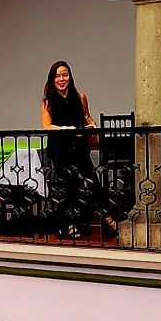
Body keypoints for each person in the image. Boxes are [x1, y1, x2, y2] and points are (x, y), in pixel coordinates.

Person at [40, 60, 116, 235]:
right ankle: (70, 224)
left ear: (70, 77)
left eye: (65, 75)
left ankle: (108, 218)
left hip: (79, 147)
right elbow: (47, 126)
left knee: (93, 182)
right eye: (57, 76)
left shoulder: (80, 97)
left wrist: (92, 125)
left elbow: (87, 116)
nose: (61, 79)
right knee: (68, 186)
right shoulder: (48, 101)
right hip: (60, 148)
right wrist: (65, 129)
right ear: (52, 79)